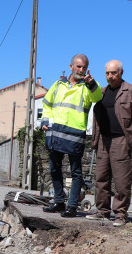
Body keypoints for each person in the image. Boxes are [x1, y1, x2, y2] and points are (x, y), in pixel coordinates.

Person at [41, 54, 102, 217]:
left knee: (76, 172)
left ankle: (72, 205)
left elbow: (98, 97)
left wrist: (91, 83)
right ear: (71, 67)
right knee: (54, 169)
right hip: (55, 133)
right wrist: (44, 121)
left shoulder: (88, 86)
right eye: (78, 67)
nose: (81, 70)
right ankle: (59, 202)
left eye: (84, 67)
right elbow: (47, 104)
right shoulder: (59, 84)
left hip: (75, 135)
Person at [87, 60, 132, 226]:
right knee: (101, 178)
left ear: (121, 72)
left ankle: (120, 214)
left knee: (122, 180)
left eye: (113, 73)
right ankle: (102, 211)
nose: (110, 76)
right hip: (103, 140)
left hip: (121, 140)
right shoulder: (102, 92)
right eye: (107, 73)